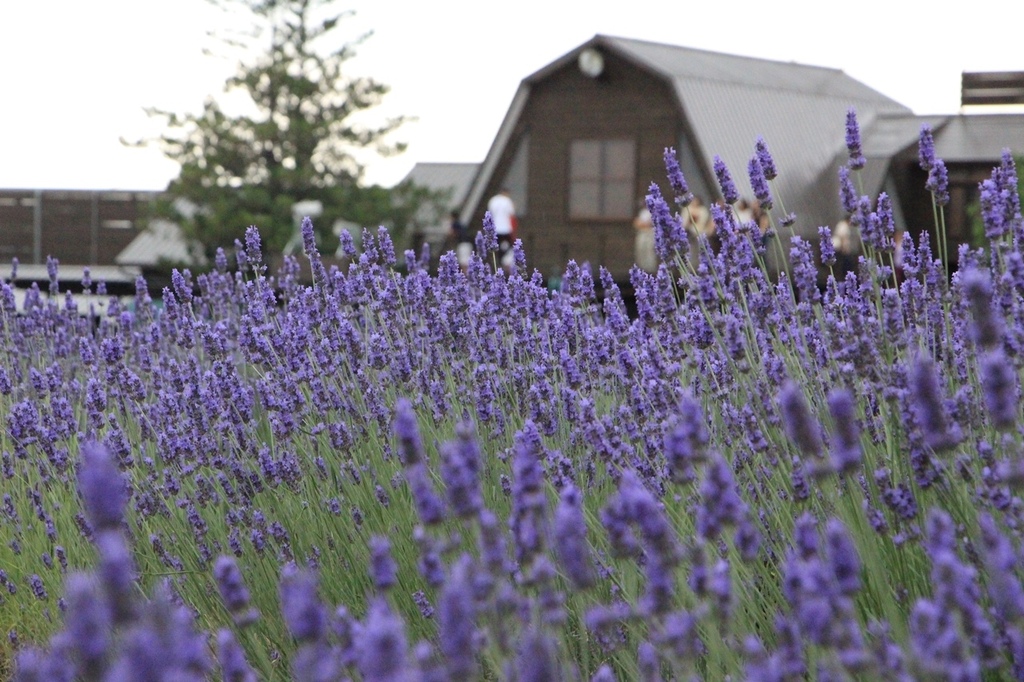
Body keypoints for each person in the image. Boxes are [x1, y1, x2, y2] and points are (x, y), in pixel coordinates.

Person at [487, 187, 516, 270]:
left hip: (495, 229)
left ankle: (498, 262)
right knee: (510, 247)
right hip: (506, 229)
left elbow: (490, 214)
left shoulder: (492, 200)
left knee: (497, 247)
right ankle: (504, 262)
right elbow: (512, 213)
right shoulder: (507, 201)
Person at [633, 202, 657, 273]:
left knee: (649, 252)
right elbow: (637, 223)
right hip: (642, 234)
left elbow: (650, 224)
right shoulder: (642, 212)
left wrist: (645, 225)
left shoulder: (653, 213)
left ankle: (650, 270)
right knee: (641, 251)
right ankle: (641, 269)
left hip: (649, 234)